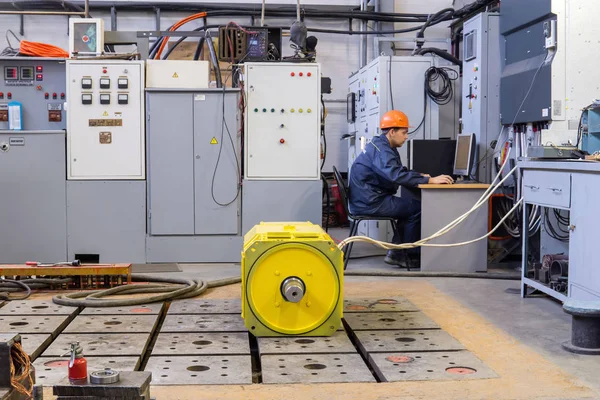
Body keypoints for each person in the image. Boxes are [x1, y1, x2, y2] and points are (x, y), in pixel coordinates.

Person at [348, 110, 454, 267]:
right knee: (416, 209)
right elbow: (395, 174)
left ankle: (397, 252)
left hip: (368, 198)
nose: (406, 137)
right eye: (404, 133)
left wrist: (419, 176)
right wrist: (429, 180)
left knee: (409, 207)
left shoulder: (382, 146)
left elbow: (397, 170)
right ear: (392, 132)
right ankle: (406, 255)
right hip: (370, 202)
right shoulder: (382, 149)